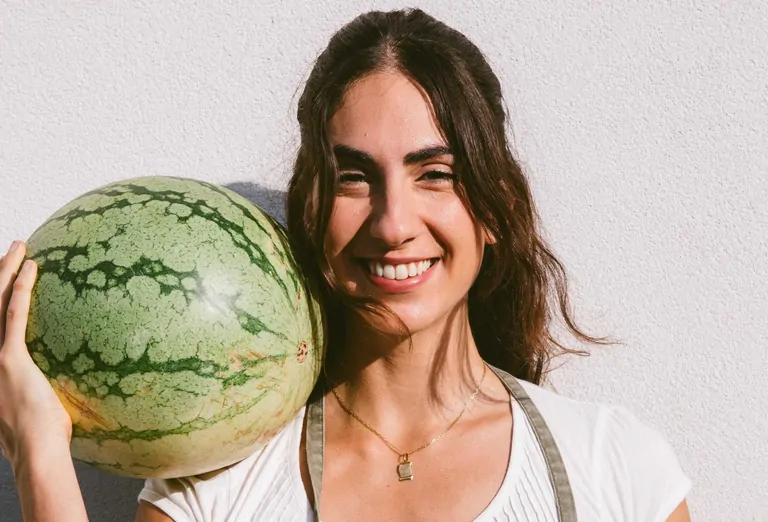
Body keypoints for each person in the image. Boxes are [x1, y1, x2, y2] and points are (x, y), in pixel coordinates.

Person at [0, 8, 691, 522]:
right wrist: (38, 449)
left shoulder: (618, 471)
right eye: (355, 177)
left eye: (436, 174)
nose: (393, 224)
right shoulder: (215, 489)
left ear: (494, 206)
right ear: (310, 207)